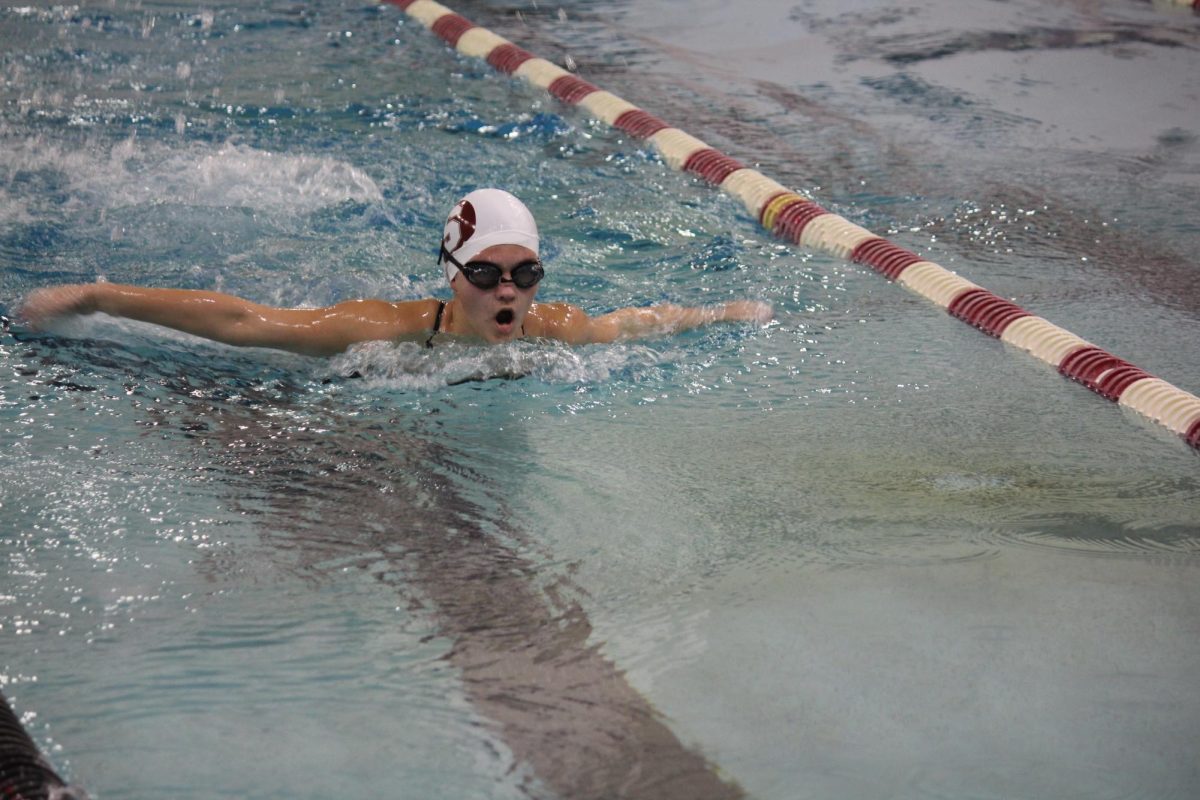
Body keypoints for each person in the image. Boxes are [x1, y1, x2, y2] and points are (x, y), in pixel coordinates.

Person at [16, 189, 772, 357]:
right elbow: (244, 321)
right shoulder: (380, 330)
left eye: (526, 272)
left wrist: (723, 315)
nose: (508, 290)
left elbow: (637, 321)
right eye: (486, 274)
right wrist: (98, 296)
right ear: (451, 275)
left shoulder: (556, 331)